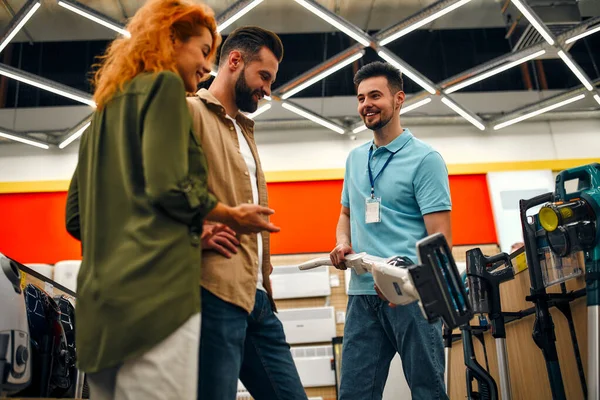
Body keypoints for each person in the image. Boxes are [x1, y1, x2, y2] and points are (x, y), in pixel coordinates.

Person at [65, 2, 279, 399]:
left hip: (99, 313)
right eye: (201, 52)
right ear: (169, 40)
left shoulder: (103, 113)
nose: (205, 67)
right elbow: (170, 187)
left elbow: (76, 219)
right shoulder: (163, 88)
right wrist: (229, 216)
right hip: (156, 303)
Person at [186, 26, 307, 400]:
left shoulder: (243, 129)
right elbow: (158, 192)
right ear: (235, 61)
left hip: (257, 297)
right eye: (264, 77)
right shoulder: (189, 112)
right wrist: (195, 235)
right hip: (214, 290)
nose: (268, 90)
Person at [329, 61, 452, 400]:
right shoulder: (355, 159)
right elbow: (345, 213)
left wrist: (406, 284)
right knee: (354, 394)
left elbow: (440, 241)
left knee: (428, 391)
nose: (365, 104)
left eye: (375, 95)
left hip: (412, 296)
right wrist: (343, 242)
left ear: (399, 99)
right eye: (360, 97)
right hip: (362, 295)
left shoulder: (425, 159)